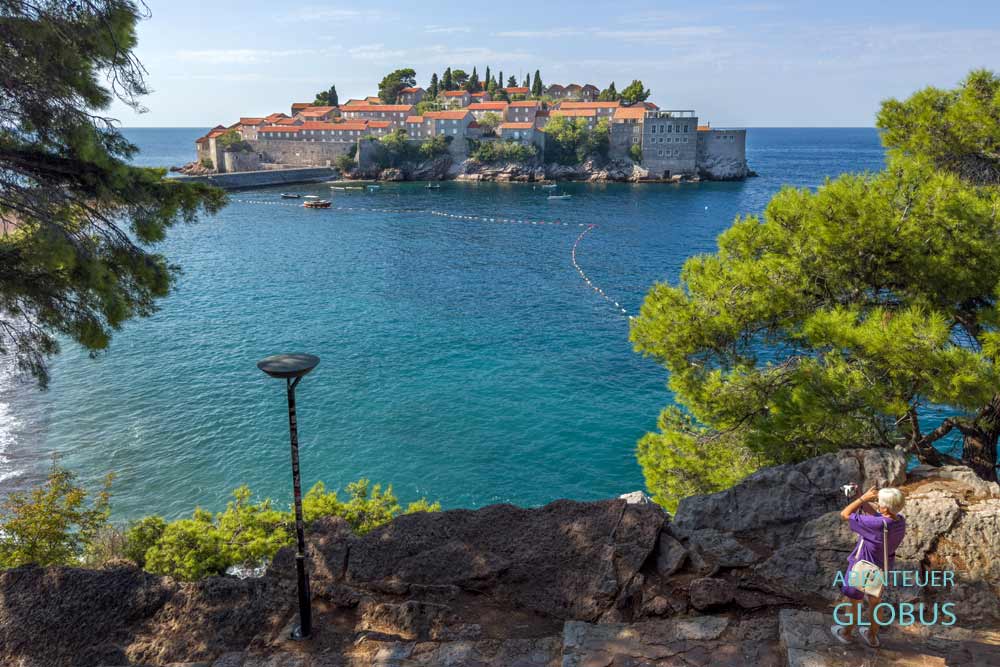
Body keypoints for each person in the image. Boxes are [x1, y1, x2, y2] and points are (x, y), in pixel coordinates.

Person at [830, 485, 906, 648]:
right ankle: (872, 636)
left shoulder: (876, 524)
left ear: (885, 507)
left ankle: (846, 633)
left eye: (879, 502)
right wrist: (859, 495)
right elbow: (878, 517)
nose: (877, 504)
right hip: (881, 567)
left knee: (854, 601)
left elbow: (844, 514)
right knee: (875, 602)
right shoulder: (899, 521)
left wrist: (862, 499)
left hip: (862, 566)